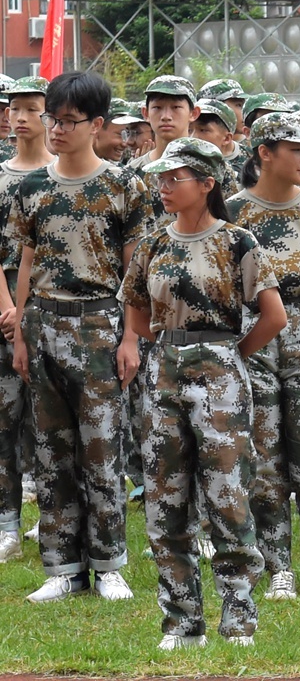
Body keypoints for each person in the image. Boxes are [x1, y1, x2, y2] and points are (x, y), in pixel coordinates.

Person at [120, 137, 285, 649]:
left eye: (177, 179)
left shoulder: (239, 242)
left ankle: (238, 617)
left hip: (221, 378)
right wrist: (174, 348)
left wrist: (229, 355)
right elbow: (136, 312)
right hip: (164, 371)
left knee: (228, 497)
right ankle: (181, 622)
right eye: (162, 179)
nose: (165, 187)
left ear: (208, 183)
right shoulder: (152, 243)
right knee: (166, 499)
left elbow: (273, 315)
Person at [12, 72, 150, 603]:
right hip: (44, 322)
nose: (56, 129)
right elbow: (26, 258)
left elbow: (133, 269)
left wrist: (131, 337)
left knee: (102, 449)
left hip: (100, 325)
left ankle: (109, 561)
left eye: (67, 121)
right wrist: (23, 330)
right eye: (52, 118)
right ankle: (62, 567)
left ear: (97, 125)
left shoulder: (123, 185)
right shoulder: (32, 187)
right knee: (52, 450)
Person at [227, 113, 300, 602]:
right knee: (263, 458)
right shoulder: (233, 214)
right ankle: (277, 565)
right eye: (294, 149)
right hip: (254, 337)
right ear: (264, 154)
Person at [0, 76, 49, 563]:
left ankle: (51, 519)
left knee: (51, 423)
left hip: (50, 309)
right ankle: (6, 523)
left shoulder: (60, 174)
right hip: (4, 313)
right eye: (15, 108)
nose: (20, 117)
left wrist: (28, 307)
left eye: (32, 108)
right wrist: (9, 309)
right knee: (4, 419)